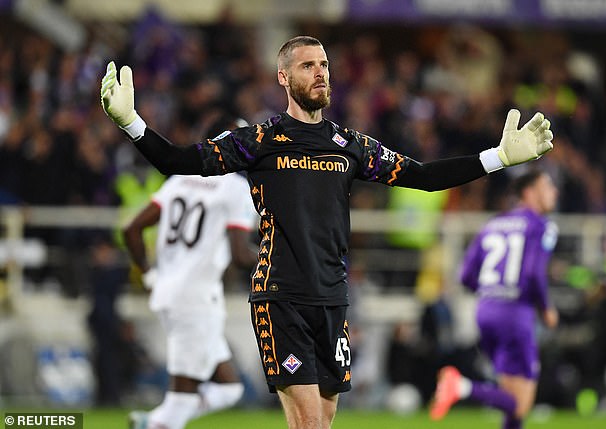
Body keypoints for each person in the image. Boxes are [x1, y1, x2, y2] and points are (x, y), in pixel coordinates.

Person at [100, 35, 554, 429]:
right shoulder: (260, 141)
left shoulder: (350, 145)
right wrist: (131, 124)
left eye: (324, 66)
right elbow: (180, 162)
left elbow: (424, 176)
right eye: (307, 66)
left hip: (332, 298)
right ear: (283, 78)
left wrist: (497, 158)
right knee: (311, 422)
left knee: (323, 417)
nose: (320, 73)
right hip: (282, 296)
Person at [122, 114, 258, 429]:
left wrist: (149, 275)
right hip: (196, 299)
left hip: (170, 292)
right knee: (180, 401)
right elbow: (240, 255)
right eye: (242, 140)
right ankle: (159, 423)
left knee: (229, 388)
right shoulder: (235, 188)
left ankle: (151, 421)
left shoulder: (180, 178)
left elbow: (132, 230)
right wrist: (280, 259)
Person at [429, 169, 560, 429]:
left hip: (487, 311)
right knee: (520, 404)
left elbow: (465, 275)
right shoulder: (541, 226)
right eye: (548, 186)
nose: (554, 192)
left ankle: (462, 387)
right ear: (530, 193)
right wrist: (546, 308)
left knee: (510, 402)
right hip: (516, 314)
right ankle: (462, 386)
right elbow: (534, 273)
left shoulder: (494, 223)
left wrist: (493, 290)